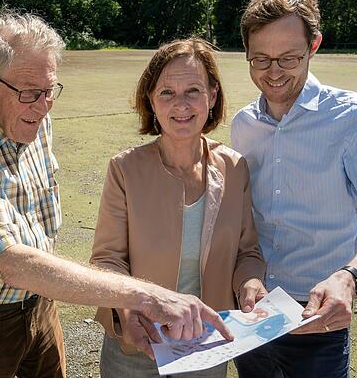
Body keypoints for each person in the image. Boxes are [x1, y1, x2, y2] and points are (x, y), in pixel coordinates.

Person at [0, 12, 228, 378]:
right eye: (31, 93)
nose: (44, 106)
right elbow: (14, 264)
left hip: (39, 305)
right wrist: (149, 297)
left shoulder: (32, 111)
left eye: (50, 91)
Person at [230, 0, 357, 378]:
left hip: (316, 314)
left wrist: (351, 276)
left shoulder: (355, 117)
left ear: (314, 46)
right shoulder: (243, 124)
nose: (273, 72)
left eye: (289, 58)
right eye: (260, 59)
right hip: (251, 310)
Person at [90, 38, 267, 378]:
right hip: (138, 343)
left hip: (207, 341)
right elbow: (107, 259)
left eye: (193, 91)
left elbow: (248, 252)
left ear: (212, 96)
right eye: (167, 92)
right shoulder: (125, 169)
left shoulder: (234, 167)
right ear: (151, 101)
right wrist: (128, 314)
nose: (181, 104)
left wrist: (250, 283)